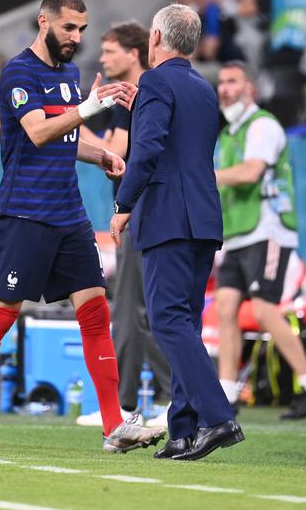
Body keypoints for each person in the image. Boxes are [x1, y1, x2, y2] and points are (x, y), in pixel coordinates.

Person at [0, 0, 165, 454]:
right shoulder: (19, 71)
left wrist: (97, 152)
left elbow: (64, 137)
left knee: (96, 311)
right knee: (1, 316)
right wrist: (90, 108)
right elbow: (39, 131)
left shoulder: (70, 73)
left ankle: (112, 426)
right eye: (69, 28)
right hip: (25, 213)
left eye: (82, 29)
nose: (76, 37)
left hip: (67, 213)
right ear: (44, 22)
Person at [110, 4, 242, 462]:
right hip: (204, 218)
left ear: (155, 37)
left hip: (168, 217)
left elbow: (147, 150)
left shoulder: (154, 82)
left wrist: (123, 204)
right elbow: (183, 140)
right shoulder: (203, 87)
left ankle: (217, 418)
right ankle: (182, 432)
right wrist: (140, 107)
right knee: (184, 323)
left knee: (166, 320)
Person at [212, 61, 306, 419]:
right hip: (239, 231)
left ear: (252, 89)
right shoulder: (230, 133)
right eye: (222, 83)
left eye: (233, 82)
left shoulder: (261, 125)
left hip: (268, 229)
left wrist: (202, 176)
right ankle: (226, 395)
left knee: (263, 309)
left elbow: (250, 173)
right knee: (226, 308)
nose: (225, 89)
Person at [75, 21, 172, 430]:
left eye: (111, 51)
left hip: (146, 209)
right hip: (140, 209)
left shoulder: (145, 95)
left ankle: (169, 396)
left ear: (135, 54)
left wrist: (62, 118)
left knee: (141, 310)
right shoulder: (127, 102)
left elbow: (113, 152)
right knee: (133, 310)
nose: (103, 58)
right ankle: (128, 402)